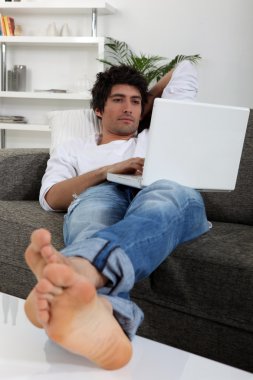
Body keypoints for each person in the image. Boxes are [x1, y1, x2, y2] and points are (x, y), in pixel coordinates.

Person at [24, 64, 209, 370]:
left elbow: (185, 69)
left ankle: (81, 268)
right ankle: (106, 311)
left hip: (161, 193)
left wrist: (143, 103)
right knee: (93, 212)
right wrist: (107, 172)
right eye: (118, 100)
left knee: (165, 194)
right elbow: (52, 198)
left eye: (135, 102)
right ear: (98, 109)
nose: (128, 108)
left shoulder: (158, 136)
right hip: (102, 190)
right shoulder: (74, 149)